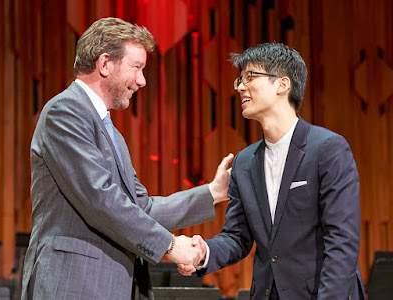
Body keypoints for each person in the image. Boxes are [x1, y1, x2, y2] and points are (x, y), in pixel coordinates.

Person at [21, 17, 233, 300]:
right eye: (137, 68)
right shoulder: (65, 112)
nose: (142, 81)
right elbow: (100, 199)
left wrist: (213, 193)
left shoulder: (112, 133)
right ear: (105, 63)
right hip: (74, 285)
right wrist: (170, 246)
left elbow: (139, 208)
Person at [178, 42, 365, 300]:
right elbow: (237, 237)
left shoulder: (328, 149)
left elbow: (342, 241)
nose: (241, 86)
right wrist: (203, 253)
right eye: (239, 80)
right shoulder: (244, 162)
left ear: (282, 85)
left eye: (250, 77)